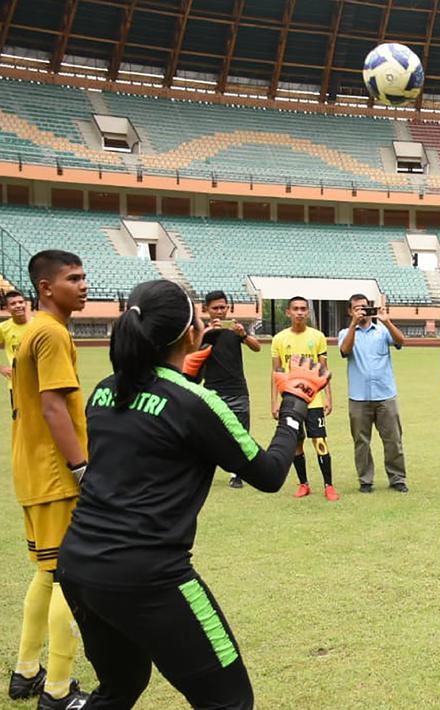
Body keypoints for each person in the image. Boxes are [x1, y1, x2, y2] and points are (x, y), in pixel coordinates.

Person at [57, 279, 330, 709]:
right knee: (230, 701)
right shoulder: (195, 401)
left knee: (119, 688)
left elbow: (150, 423)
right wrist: (296, 404)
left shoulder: (106, 388)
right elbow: (269, 473)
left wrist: (179, 376)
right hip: (150, 578)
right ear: (190, 334)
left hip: (79, 567)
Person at [7, 251, 90, 708]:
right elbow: (54, 405)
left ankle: (26, 671)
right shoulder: (52, 332)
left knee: (46, 573)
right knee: (70, 579)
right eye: (73, 278)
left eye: (84, 276)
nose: (83, 285)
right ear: (45, 287)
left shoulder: (31, 331)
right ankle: (58, 690)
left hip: (32, 470)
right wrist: (81, 468)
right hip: (58, 474)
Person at [339, 293, 408, 493]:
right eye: (357, 308)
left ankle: (397, 478)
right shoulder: (346, 332)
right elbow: (345, 350)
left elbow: (400, 341)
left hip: (385, 395)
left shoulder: (382, 331)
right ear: (350, 311)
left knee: (393, 439)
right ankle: (365, 480)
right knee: (361, 442)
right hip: (358, 397)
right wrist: (354, 324)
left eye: (365, 306)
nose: (362, 311)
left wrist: (388, 322)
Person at [270, 297, 337, 501]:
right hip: (290, 401)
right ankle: (303, 484)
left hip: (313, 399)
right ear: (288, 312)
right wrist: (274, 402)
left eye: (303, 309)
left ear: (308, 312)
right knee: (296, 444)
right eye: (295, 309)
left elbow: (324, 371)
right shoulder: (279, 339)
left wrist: (328, 397)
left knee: (320, 441)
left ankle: (329, 486)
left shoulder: (317, 337)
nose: (299, 312)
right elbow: (276, 372)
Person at [197, 290, 261, 490]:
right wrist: (208, 333)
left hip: (237, 389)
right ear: (206, 309)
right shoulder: (202, 332)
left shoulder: (235, 330)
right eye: (215, 308)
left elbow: (257, 347)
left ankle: (237, 474)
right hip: (212, 391)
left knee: (240, 433)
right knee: (209, 434)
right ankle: (202, 472)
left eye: (223, 307)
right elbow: (192, 352)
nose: (219, 312)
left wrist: (243, 335)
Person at [0, 289, 31, 391]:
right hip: (16, 384)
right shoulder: (3, 328)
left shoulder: (37, 325)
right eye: (13, 304)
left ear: (26, 304)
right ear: (7, 308)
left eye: (21, 302)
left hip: (39, 383)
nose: (18, 305)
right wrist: (1, 368)